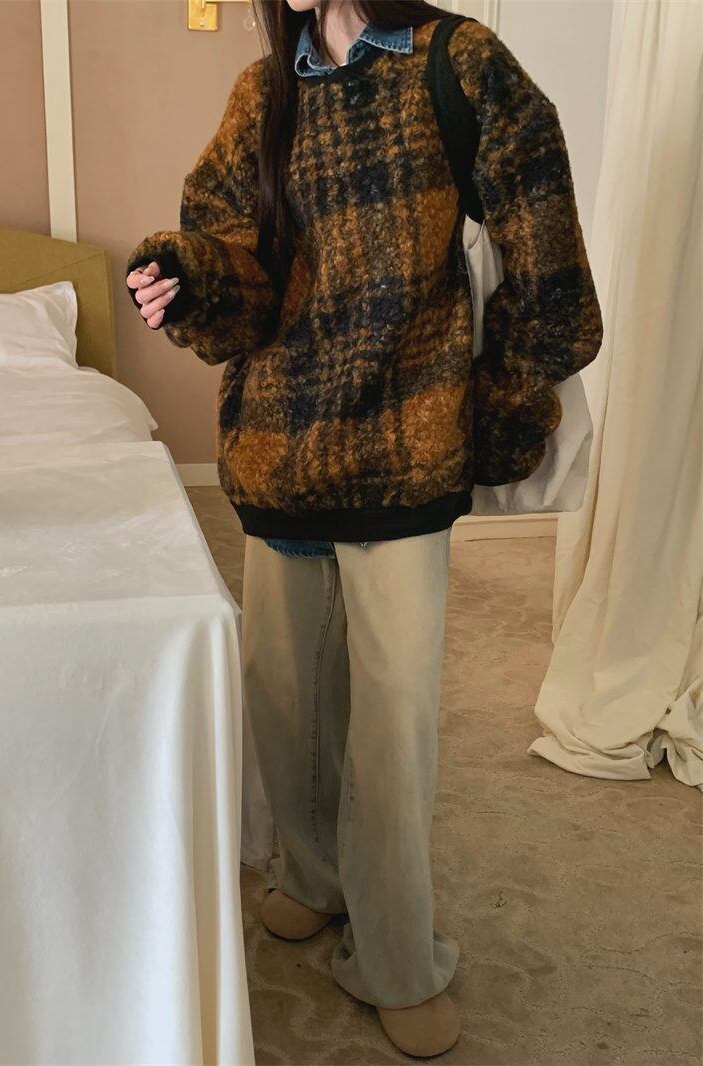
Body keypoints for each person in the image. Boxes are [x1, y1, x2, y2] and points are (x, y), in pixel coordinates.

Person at [125, 0, 603, 1056]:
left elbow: (547, 262)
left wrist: (501, 404)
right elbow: (237, 262)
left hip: (402, 441)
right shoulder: (263, 91)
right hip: (277, 446)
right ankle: (311, 876)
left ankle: (394, 952)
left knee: (391, 723)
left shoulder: (459, 62)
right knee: (285, 696)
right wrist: (188, 276)